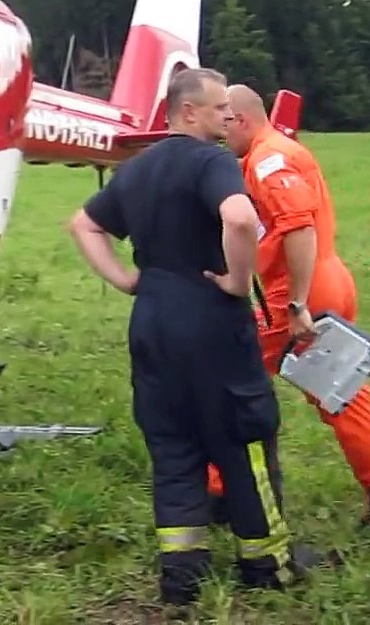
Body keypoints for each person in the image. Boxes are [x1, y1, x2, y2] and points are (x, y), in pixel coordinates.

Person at [67, 67, 317, 605]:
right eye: (218, 106)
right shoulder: (212, 161)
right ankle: (267, 565)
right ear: (188, 112)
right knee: (243, 437)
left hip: (152, 322)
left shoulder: (138, 167)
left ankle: (182, 577)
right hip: (209, 322)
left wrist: (126, 279)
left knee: (173, 444)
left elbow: (83, 225)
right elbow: (241, 219)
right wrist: (233, 278)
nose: (228, 115)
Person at [211, 84, 370, 531]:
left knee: (228, 376)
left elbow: (298, 227)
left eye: (225, 127)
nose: (223, 138)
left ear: (241, 119)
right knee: (341, 391)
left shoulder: (268, 160)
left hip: (299, 291)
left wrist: (297, 303)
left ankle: (219, 492)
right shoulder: (275, 152)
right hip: (330, 278)